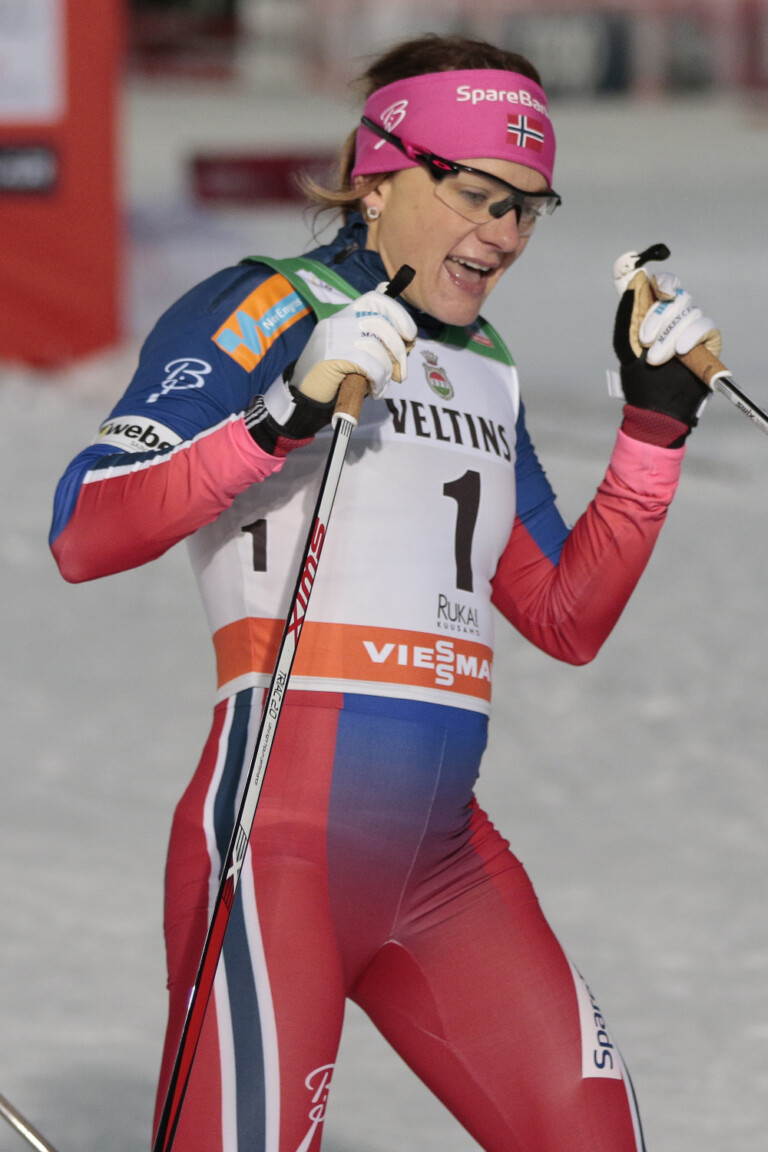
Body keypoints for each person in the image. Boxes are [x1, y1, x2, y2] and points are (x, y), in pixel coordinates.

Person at [50, 32, 721, 1152]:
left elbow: (565, 617)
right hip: (276, 847)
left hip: (445, 865)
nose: (501, 234)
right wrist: (284, 414)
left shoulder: (485, 363)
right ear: (379, 175)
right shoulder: (269, 305)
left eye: (527, 207)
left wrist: (653, 430)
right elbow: (85, 528)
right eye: (476, 193)